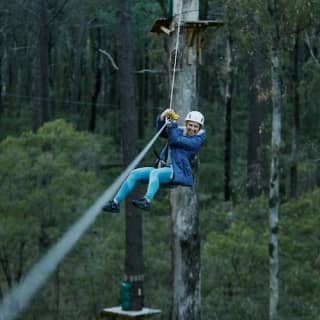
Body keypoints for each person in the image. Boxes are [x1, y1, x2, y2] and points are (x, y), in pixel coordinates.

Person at [102, 108, 206, 212]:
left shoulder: (197, 141)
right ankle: (115, 203)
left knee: (155, 173)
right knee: (134, 173)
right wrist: (163, 117)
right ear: (186, 124)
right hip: (164, 169)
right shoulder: (179, 132)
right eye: (190, 125)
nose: (192, 128)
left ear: (199, 128)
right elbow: (162, 133)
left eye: (195, 126)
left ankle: (147, 201)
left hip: (177, 173)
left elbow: (175, 140)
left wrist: (173, 124)